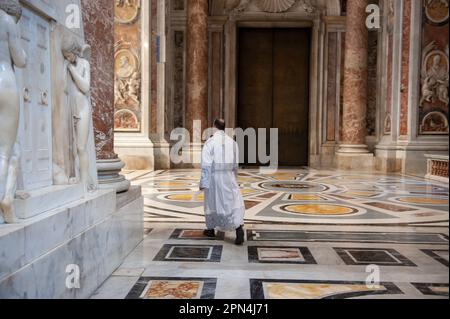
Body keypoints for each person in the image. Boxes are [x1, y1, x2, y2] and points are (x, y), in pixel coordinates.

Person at [199, 119, 246, 245]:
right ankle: (238, 228)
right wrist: (233, 177)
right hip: (228, 175)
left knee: (213, 203)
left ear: (214, 127)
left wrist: (204, 182)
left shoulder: (210, 142)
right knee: (232, 202)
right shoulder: (232, 142)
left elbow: (206, 164)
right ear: (224, 127)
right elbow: (236, 164)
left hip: (215, 177)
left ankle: (210, 229)